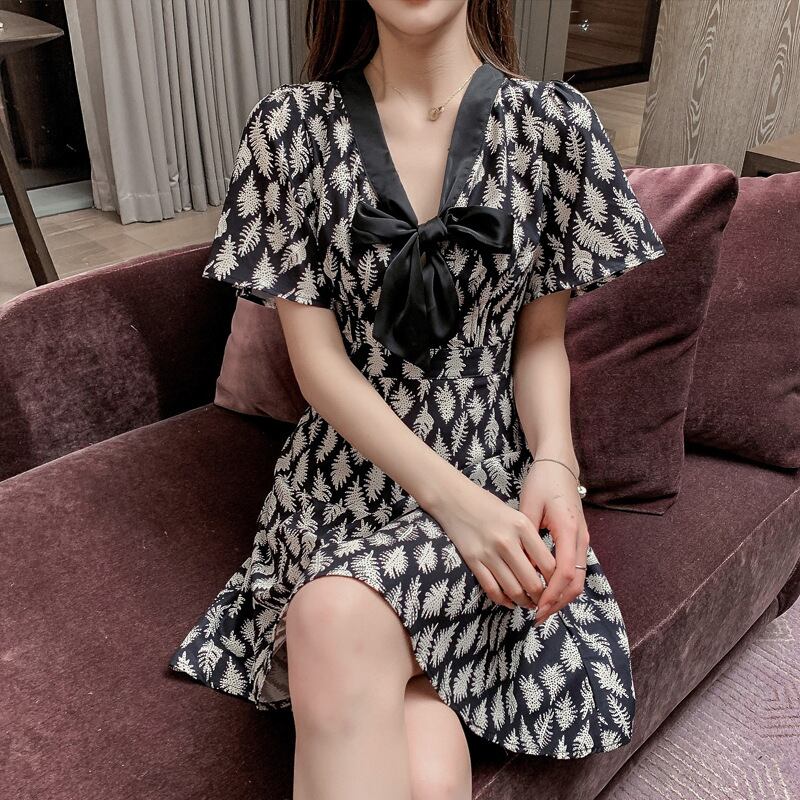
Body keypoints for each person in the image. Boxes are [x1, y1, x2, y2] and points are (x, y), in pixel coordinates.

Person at [168, 0, 667, 797]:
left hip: (495, 489)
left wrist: (554, 463)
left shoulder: (553, 124)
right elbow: (319, 366)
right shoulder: (289, 128)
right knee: (425, 759)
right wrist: (454, 507)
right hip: (340, 493)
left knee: (334, 620)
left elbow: (540, 340)